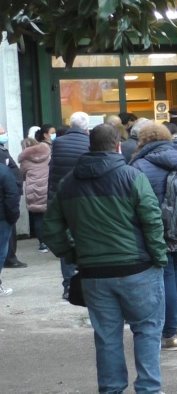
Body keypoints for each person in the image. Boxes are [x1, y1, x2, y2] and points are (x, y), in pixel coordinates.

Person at [43, 123, 168, 393]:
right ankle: (149, 389)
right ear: (118, 146)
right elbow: (152, 221)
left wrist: (73, 254)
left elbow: (49, 227)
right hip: (139, 269)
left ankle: (112, 389)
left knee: (107, 336)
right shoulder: (132, 177)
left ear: (90, 145)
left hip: (94, 273)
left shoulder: (69, 183)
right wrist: (159, 258)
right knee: (147, 329)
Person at [131, 122, 177, 351]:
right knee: (174, 273)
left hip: (155, 229)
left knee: (164, 277)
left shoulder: (140, 165)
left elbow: (134, 202)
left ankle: (169, 332)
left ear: (143, 140)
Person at [47, 112, 90, 298]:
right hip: (84, 198)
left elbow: (53, 171)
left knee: (67, 238)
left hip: (61, 196)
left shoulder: (58, 143)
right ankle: (85, 279)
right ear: (86, 127)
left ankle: (67, 284)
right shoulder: (90, 143)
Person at [19, 136, 51, 253]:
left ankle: (43, 244)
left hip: (34, 191)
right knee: (50, 217)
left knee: (38, 218)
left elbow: (21, 175)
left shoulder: (25, 160)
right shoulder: (48, 154)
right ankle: (53, 241)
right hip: (48, 188)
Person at [0, 160, 20, 296]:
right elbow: (12, 194)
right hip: (2, 218)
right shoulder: (3, 171)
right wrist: (12, 217)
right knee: (1, 252)